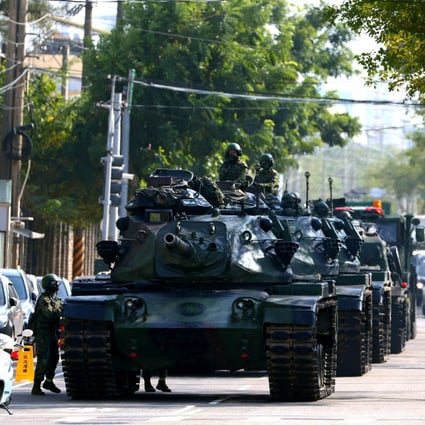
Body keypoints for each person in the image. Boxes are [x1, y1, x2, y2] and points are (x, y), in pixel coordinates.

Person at [31, 273, 64, 396]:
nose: (57, 286)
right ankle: (36, 386)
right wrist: (61, 309)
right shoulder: (44, 300)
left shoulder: (55, 299)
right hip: (43, 333)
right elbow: (50, 314)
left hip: (52, 333)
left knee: (54, 358)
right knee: (43, 359)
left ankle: (49, 381)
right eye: (54, 284)